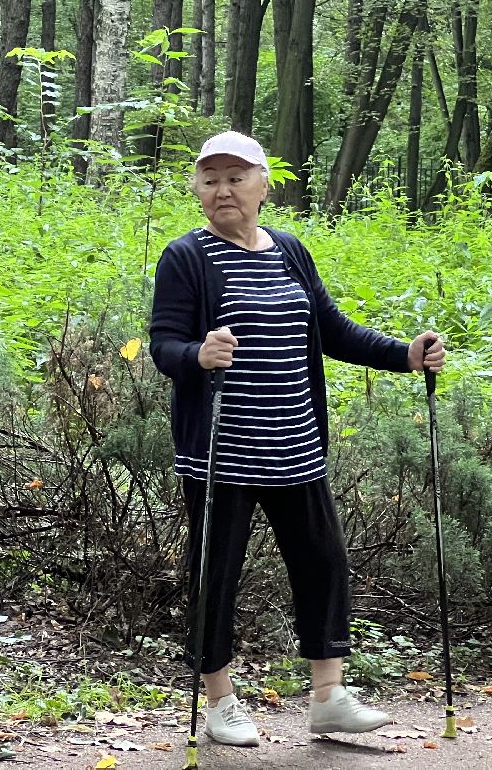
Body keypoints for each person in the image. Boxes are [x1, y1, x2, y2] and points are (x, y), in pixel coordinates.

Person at [148, 131, 446, 745]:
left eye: (235, 177)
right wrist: (197, 354)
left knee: (323, 565)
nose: (222, 190)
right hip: (221, 451)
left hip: (296, 443)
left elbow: (331, 328)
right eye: (210, 179)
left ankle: (329, 696)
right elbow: (163, 343)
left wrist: (404, 356)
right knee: (217, 574)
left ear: (264, 184)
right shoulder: (187, 257)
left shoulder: (289, 250)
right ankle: (221, 700)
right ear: (196, 190)